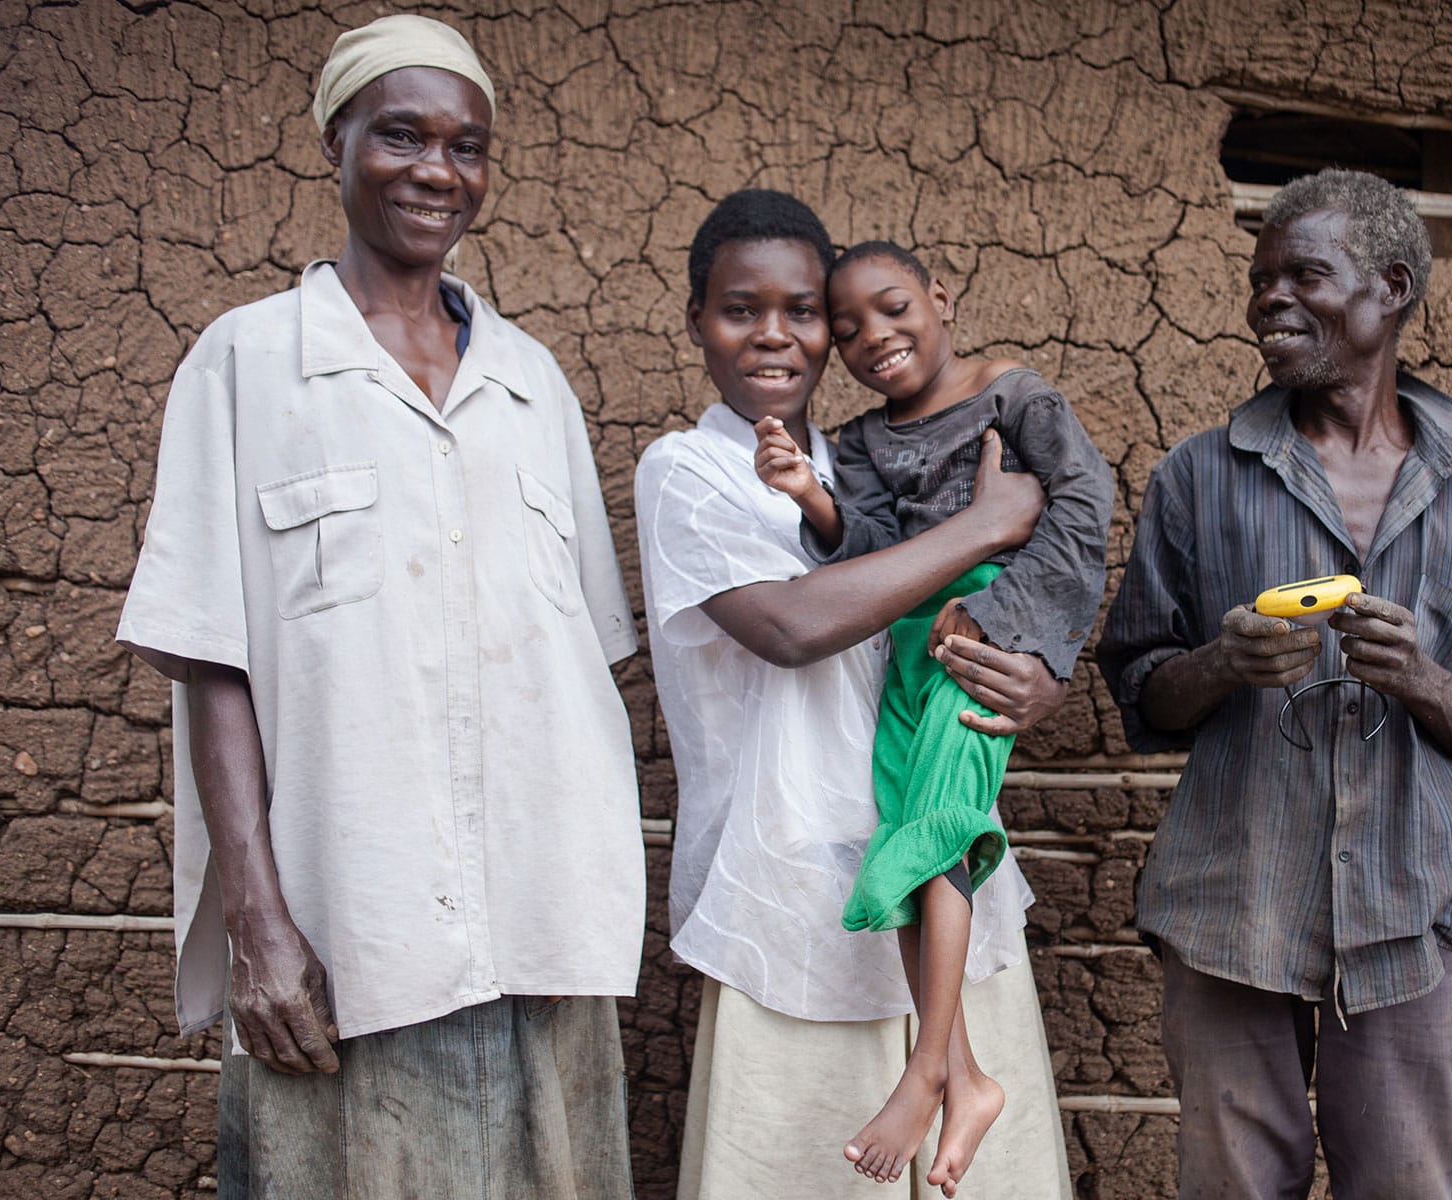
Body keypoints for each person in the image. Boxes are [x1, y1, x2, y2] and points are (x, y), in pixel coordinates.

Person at [115, 16, 640, 1198]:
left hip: (541, 922)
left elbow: (579, 667)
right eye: (400, 135)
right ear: (334, 141)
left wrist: (590, 888)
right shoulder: (246, 364)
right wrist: (257, 922)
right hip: (354, 926)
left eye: (467, 146)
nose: (436, 171)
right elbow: (211, 660)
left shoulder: (529, 380)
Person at [1097, 168, 1452, 1199]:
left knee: (1407, 1183)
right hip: (1230, 902)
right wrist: (1224, 663)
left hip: (1408, 904)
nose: (1269, 297)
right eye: (1259, 278)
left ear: (1389, 287)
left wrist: (1422, 680)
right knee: (1230, 1185)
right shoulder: (1198, 473)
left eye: (1303, 273)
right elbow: (1136, 693)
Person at [634, 189, 1076, 1199]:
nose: (772, 336)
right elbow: (791, 627)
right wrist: (979, 525)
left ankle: (949, 1073)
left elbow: (987, 598)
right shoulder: (687, 472)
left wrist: (1035, 677)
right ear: (695, 323)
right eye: (738, 310)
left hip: (938, 873)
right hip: (786, 903)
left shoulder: (868, 464)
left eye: (800, 312)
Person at [753, 239, 1111, 1186]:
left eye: (894, 307)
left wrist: (1002, 619)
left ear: (941, 298)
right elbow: (872, 546)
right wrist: (815, 502)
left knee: (943, 827)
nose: (875, 337)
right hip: (909, 654)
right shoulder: (866, 442)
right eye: (849, 327)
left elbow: (1081, 507)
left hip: (985, 646)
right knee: (906, 833)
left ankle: (926, 1073)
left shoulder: (1013, 395)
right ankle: (971, 1079)